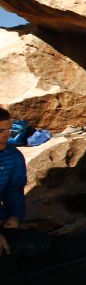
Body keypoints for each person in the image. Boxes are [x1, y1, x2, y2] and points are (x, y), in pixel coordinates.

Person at [0, 107, 50, 257]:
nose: (5, 136)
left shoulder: (12, 156)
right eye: (0, 131)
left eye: (7, 130)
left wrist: (14, 217)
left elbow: (13, 189)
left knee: (39, 243)